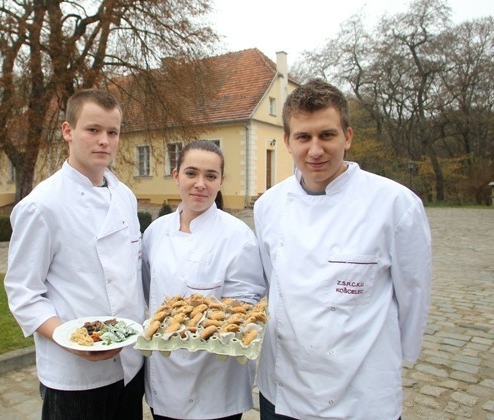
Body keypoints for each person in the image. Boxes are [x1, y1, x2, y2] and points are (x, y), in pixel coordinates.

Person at [254, 79, 432, 420]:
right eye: (304, 137)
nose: (316, 150)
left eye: (327, 135)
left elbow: (414, 295)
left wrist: (397, 355)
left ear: (348, 137)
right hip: (284, 392)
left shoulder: (396, 204)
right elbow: (270, 283)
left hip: (362, 394)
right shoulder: (269, 206)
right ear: (288, 142)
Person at [4, 89, 145, 420]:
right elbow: (23, 292)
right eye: (93, 130)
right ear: (68, 131)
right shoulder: (42, 206)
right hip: (75, 377)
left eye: (112, 133)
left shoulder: (125, 196)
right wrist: (68, 339)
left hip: (129, 365)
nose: (104, 141)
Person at [141, 140, 267, 420]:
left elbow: (244, 308)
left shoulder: (238, 237)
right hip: (165, 376)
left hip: (217, 382)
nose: (200, 183)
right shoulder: (155, 233)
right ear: (176, 176)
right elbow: (151, 291)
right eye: (191, 173)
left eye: (210, 176)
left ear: (221, 181)